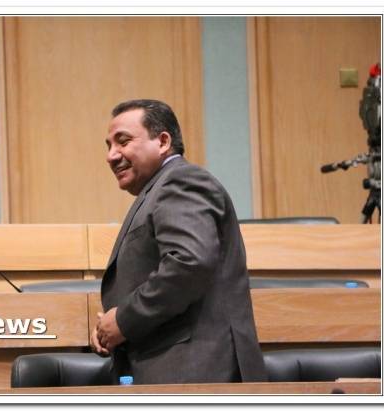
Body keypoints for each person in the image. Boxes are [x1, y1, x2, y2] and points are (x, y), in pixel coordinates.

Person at [90, 99, 267, 384]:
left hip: (196, 374)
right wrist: (109, 329)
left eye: (123, 141)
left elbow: (189, 263)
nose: (111, 156)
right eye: (109, 146)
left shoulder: (180, 180)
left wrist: (123, 320)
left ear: (162, 142)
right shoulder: (159, 188)